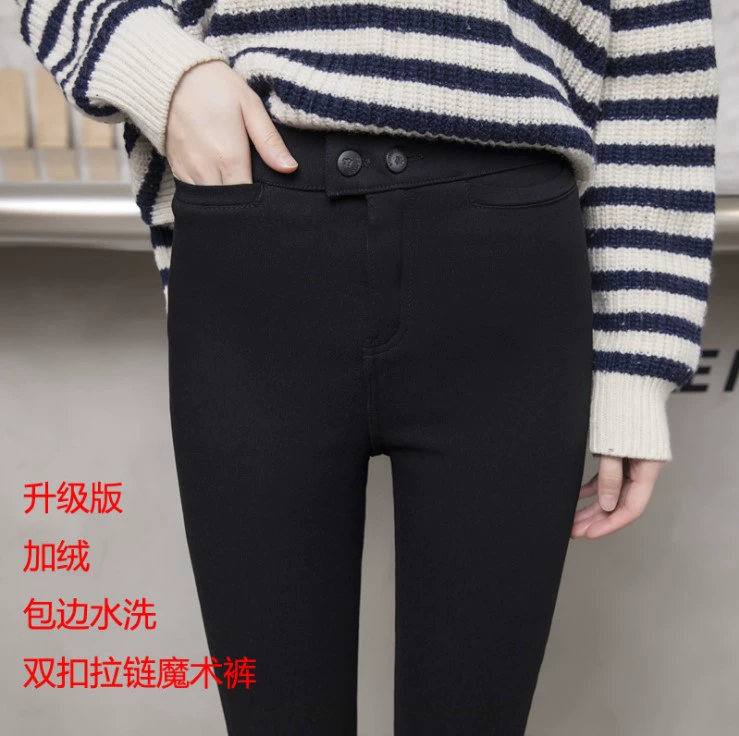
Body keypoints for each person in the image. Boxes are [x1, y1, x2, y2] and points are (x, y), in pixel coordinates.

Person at [17, 0, 720, 733]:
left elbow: (654, 59)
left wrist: (636, 363)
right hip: (261, 232)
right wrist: (165, 73)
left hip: (508, 266)